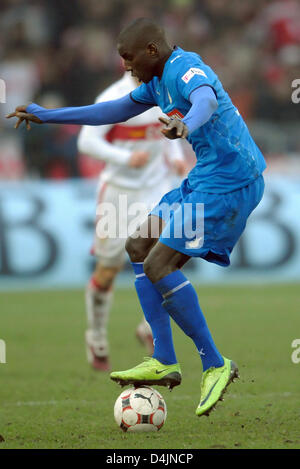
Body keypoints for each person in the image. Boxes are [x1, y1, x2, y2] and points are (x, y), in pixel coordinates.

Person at [7, 18, 266, 417]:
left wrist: (185, 123)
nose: (126, 67)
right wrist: (48, 115)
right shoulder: (155, 84)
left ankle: (215, 364)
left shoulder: (185, 67)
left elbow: (206, 101)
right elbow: (109, 111)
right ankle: (164, 358)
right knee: (138, 244)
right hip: (205, 178)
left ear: (151, 51)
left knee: (160, 263)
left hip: (232, 183)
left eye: (129, 59)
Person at [77, 71, 186, 371]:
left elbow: (166, 132)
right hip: (119, 193)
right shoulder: (114, 96)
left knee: (165, 259)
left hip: (156, 189)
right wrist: (125, 159)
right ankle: (96, 334)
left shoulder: (165, 92)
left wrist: (175, 155)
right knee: (108, 269)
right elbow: (87, 141)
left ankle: (148, 327)